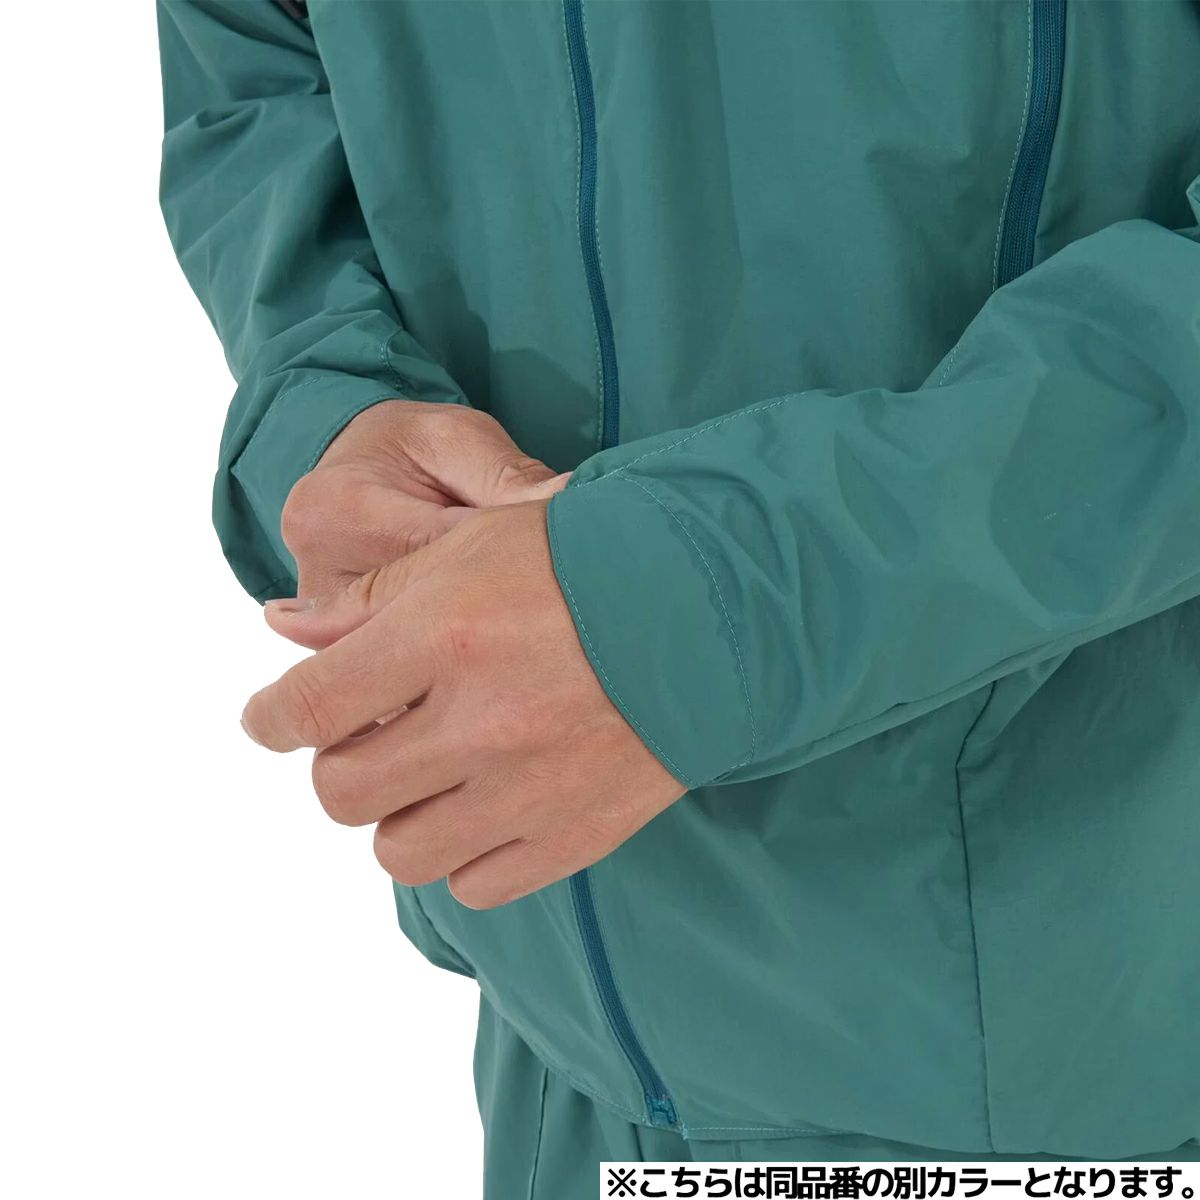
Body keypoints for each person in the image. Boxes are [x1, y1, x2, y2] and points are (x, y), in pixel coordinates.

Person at [156, 0, 1200, 1188]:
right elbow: (249, 58)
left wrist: (708, 610)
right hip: (569, 1056)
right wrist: (329, 400)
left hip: (1085, 1071)